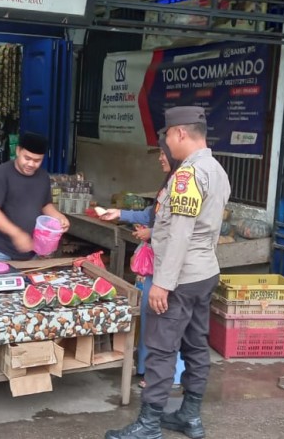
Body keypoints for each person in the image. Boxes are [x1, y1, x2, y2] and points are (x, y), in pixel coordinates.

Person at [105, 106, 230, 439]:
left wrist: (162, 283)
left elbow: (180, 232)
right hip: (204, 272)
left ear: (180, 134)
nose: (167, 148)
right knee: (196, 345)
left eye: (168, 138)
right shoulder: (217, 170)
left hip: (180, 277)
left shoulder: (188, 174)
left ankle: (148, 425)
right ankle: (190, 416)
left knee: (161, 350)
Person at [99, 141, 184, 389]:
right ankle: (148, 369)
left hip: (170, 265)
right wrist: (120, 214)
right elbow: (151, 214)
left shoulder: (183, 185)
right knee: (150, 315)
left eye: (163, 154)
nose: (159, 158)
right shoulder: (168, 183)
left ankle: (166, 376)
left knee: (165, 320)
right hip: (156, 263)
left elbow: (180, 227)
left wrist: (153, 233)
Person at [0, 132, 69, 262]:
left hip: (30, 253)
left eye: (37, 160)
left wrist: (59, 217)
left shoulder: (43, 177)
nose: (31, 164)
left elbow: (45, 204)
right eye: (27, 158)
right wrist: (16, 234)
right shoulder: (0, 174)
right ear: (18, 151)